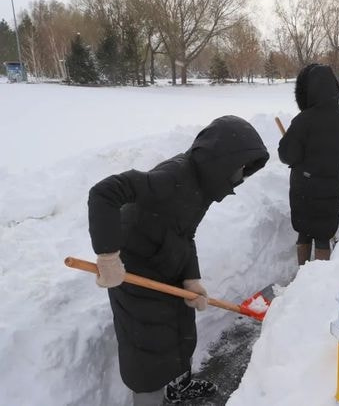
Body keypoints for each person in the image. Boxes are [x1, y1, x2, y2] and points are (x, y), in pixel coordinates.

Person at [87, 115, 269, 405]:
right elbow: (103, 193)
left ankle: (179, 388)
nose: (240, 178)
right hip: (133, 271)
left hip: (166, 261)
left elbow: (186, 233)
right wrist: (108, 256)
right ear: (221, 160)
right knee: (146, 350)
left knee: (181, 331)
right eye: (239, 169)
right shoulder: (172, 177)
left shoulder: (204, 186)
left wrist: (191, 278)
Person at [278, 63, 339, 264]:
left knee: (304, 231)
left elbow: (287, 155)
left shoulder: (304, 120)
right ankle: (319, 278)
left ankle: (303, 275)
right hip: (331, 186)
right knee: (322, 235)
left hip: (306, 187)